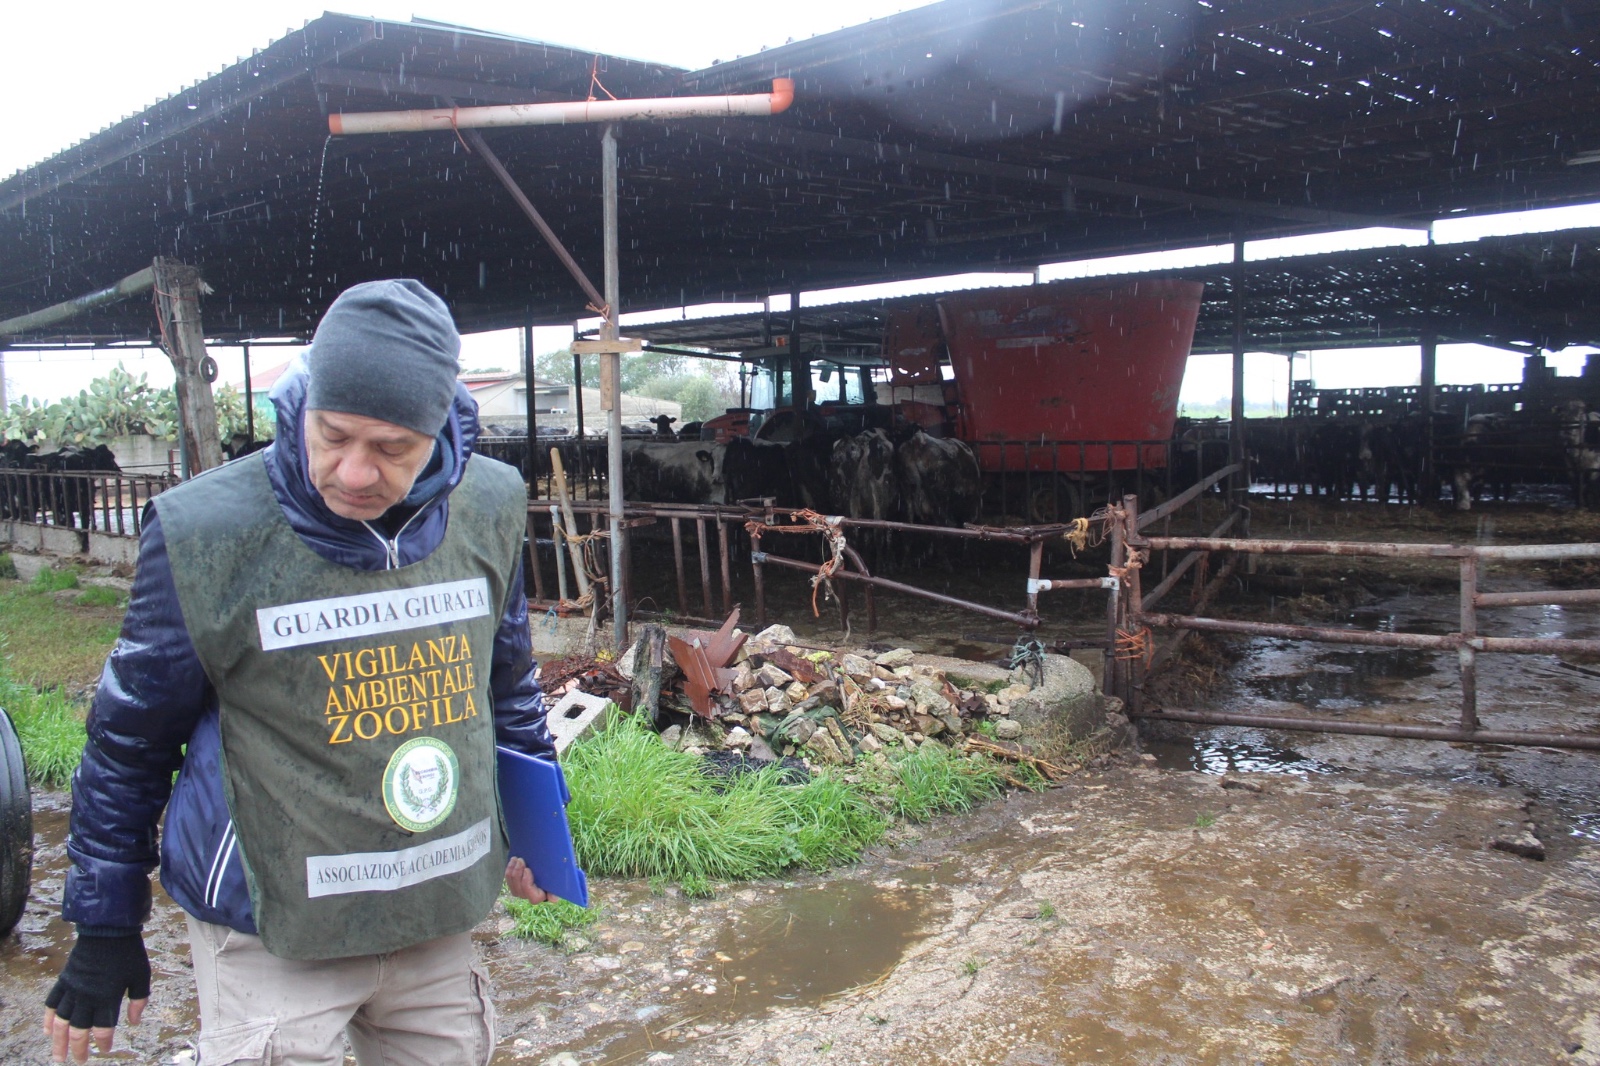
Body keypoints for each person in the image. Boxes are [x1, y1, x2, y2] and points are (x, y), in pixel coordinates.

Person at [43, 279, 556, 1066]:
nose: (354, 472)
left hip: (434, 910)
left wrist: (542, 836)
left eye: (392, 448)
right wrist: (106, 926)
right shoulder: (208, 530)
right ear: (304, 401)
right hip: (271, 922)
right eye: (334, 434)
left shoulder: (490, 504)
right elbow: (129, 738)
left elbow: (507, 686)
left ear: (443, 428)